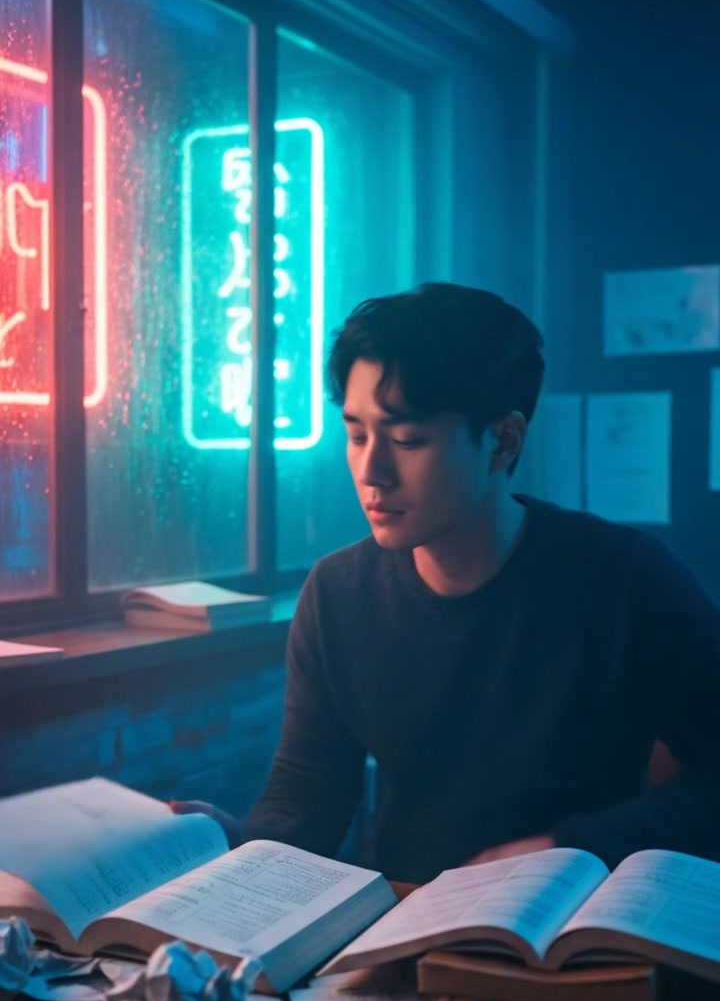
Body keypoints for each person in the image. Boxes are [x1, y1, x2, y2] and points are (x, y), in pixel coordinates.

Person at [173, 281, 720, 883]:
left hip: (575, 930)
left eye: (407, 440)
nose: (371, 471)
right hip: (407, 922)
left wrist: (571, 845)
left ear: (502, 441)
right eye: (356, 435)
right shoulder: (337, 594)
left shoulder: (625, 580)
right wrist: (237, 839)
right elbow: (308, 798)